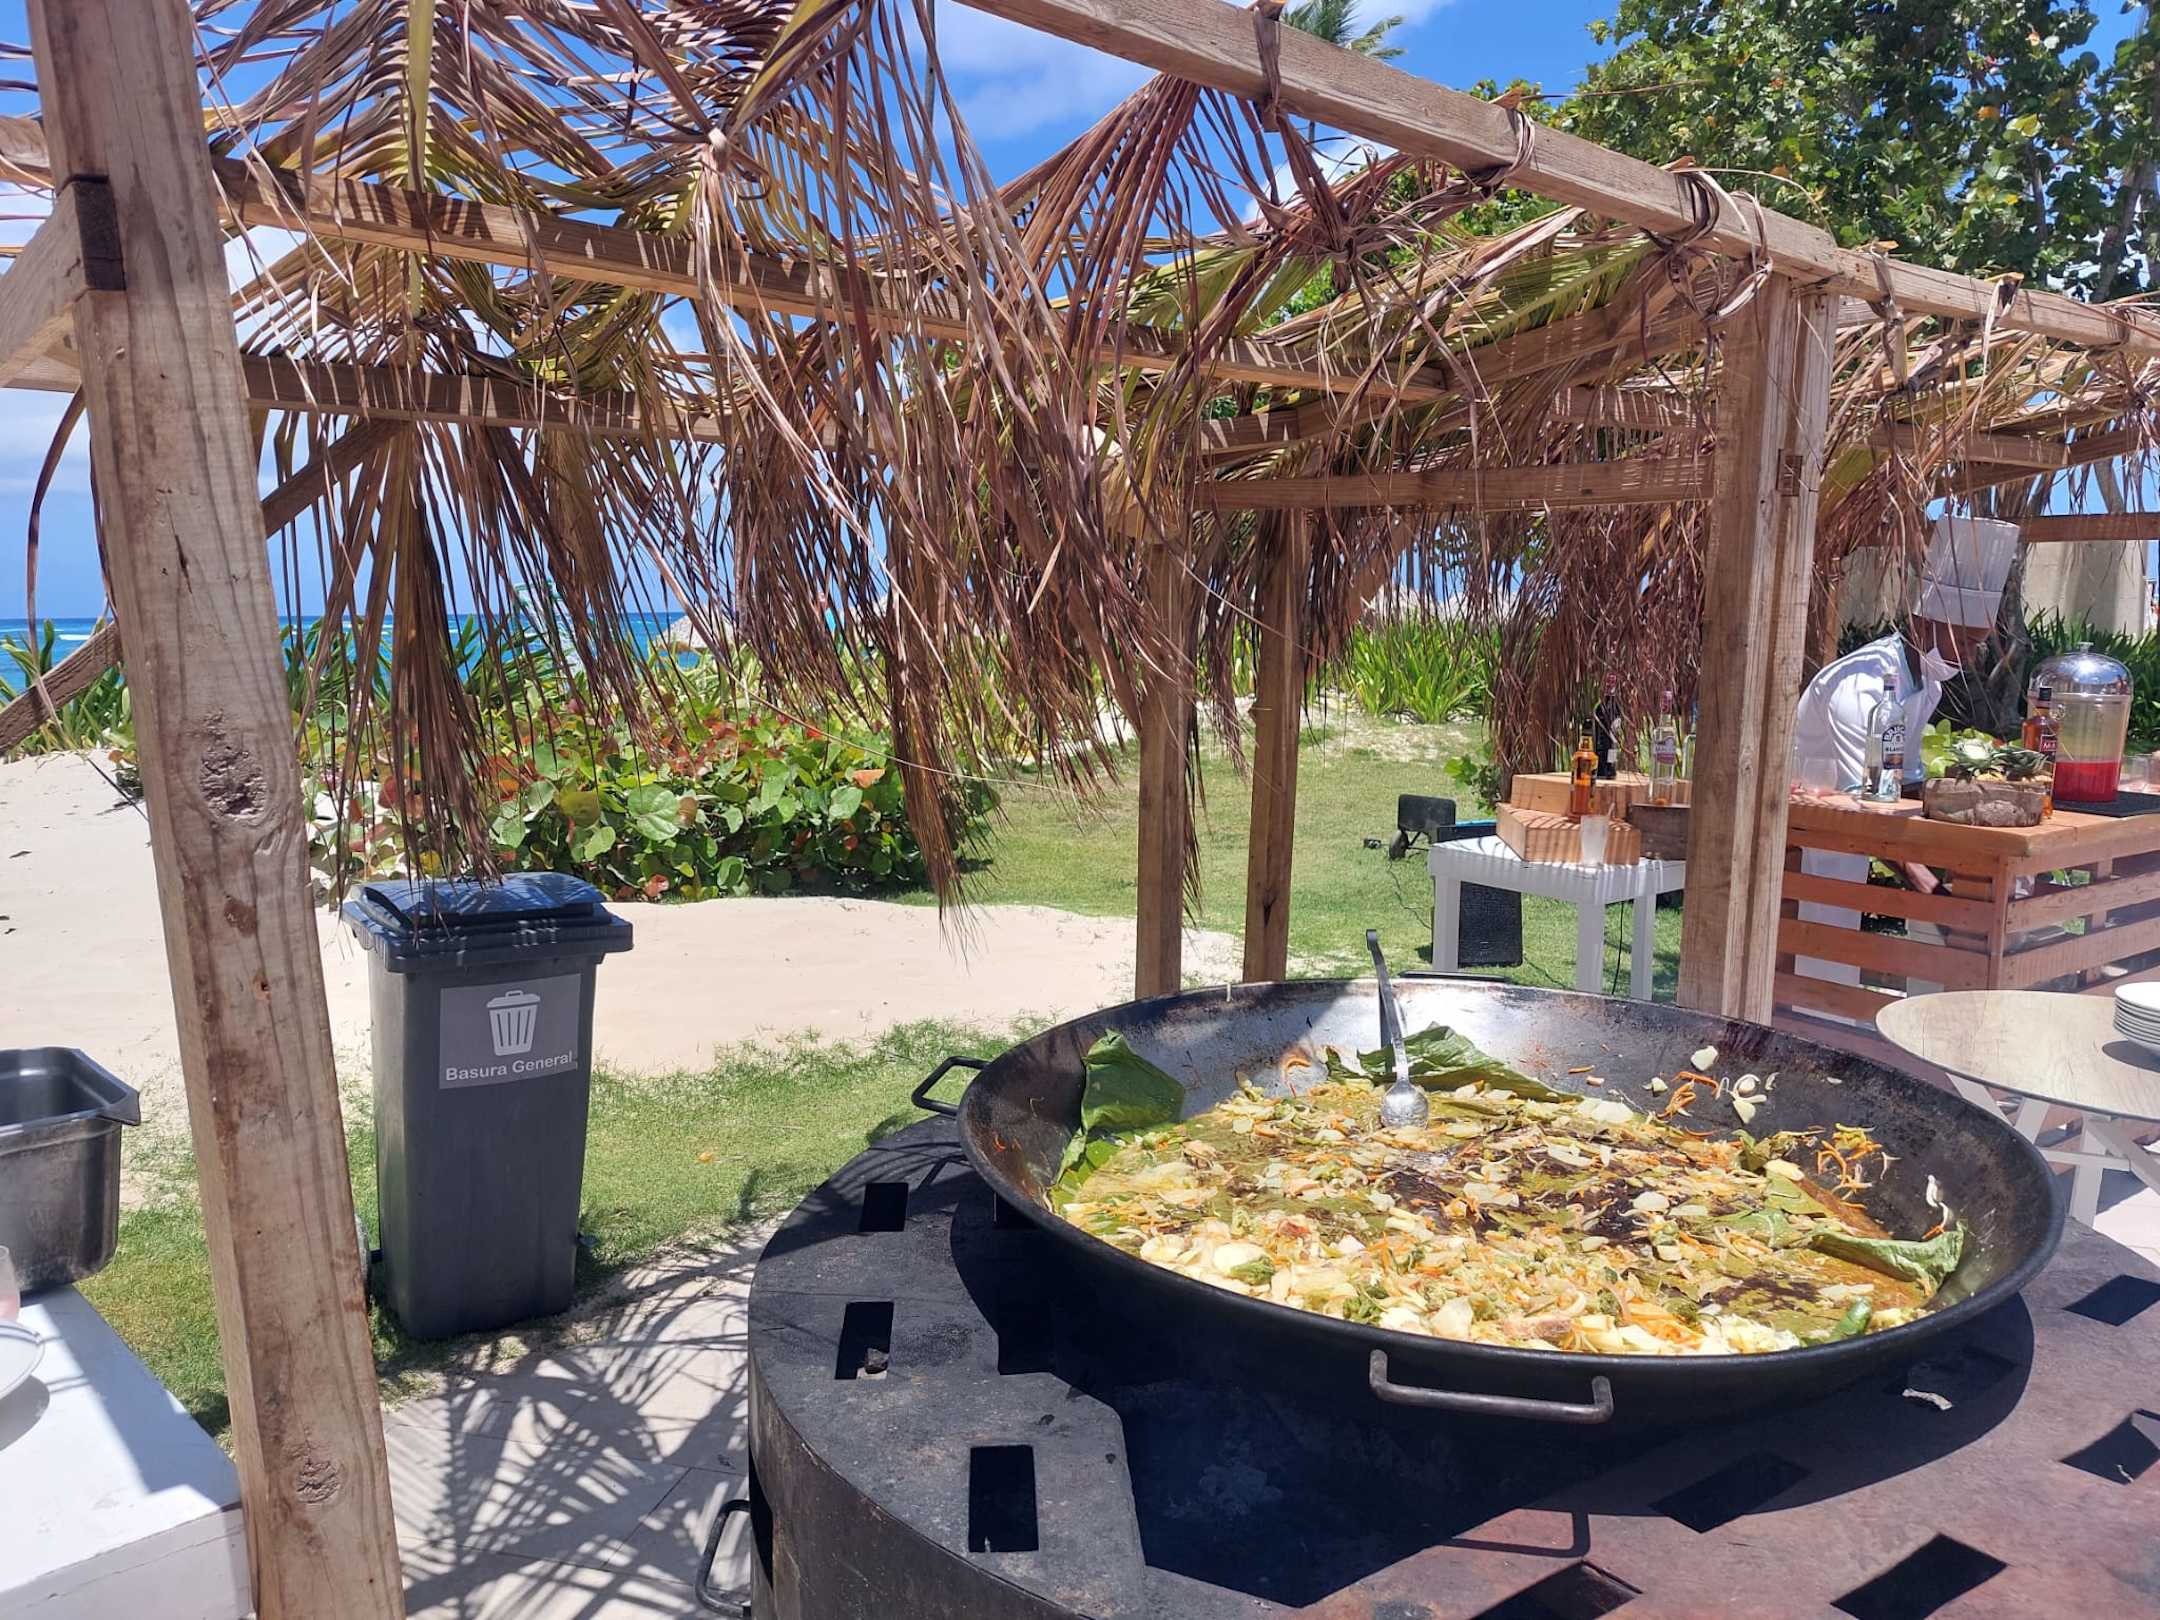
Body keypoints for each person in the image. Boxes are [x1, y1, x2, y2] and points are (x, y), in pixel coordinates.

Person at [1788, 514, 2020, 996]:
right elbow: (1870, 806)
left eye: (1977, 645)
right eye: (1966, 641)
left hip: (1848, 837)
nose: (1970, 656)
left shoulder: (1927, 685)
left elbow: (1902, 784)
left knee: (1836, 961)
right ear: (1924, 623)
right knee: (1813, 966)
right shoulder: (1862, 687)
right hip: (1805, 839)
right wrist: (1928, 887)